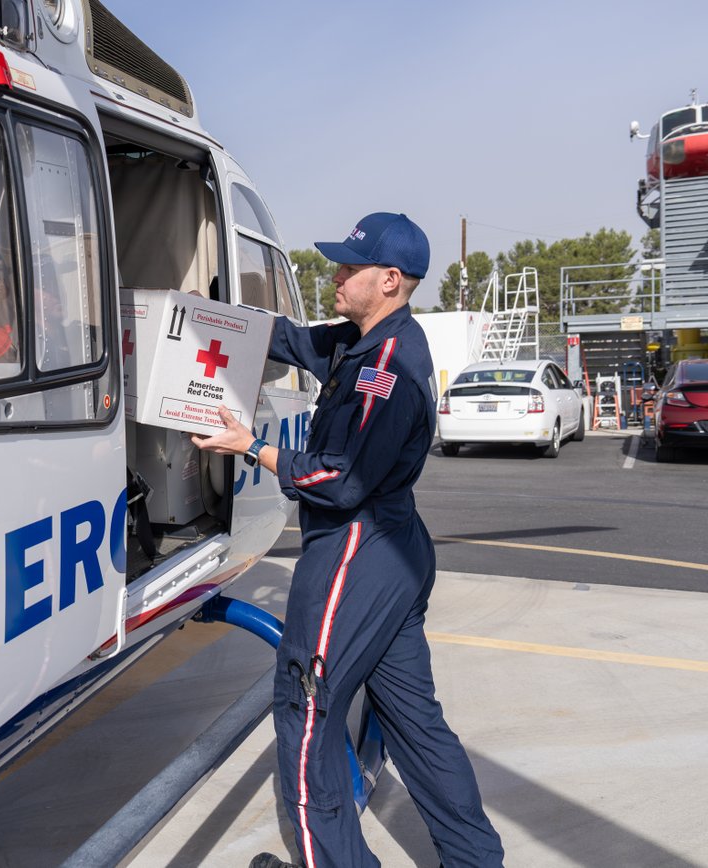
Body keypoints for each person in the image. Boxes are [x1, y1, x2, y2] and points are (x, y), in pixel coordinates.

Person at [191, 213, 504, 868]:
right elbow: (292, 340)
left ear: (389, 280)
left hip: (357, 551)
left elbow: (340, 480)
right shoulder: (360, 340)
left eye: (347, 268)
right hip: (393, 551)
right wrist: (202, 314)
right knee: (416, 726)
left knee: (305, 715)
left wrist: (252, 446)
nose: (334, 276)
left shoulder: (383, 368)